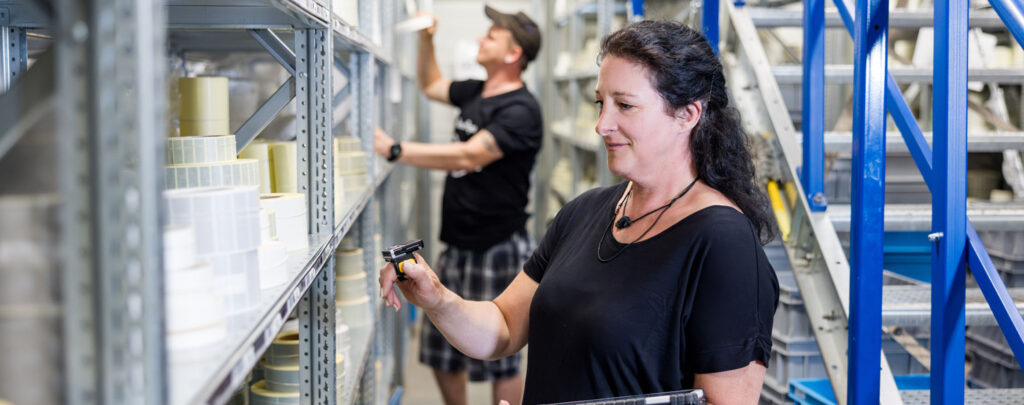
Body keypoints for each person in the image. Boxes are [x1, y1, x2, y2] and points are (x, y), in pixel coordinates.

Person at [379, 20, 780, 405]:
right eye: (600, 103)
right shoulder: (586, 212)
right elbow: (501, 329)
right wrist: (437, 298)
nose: (602, 124)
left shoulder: (724, 245)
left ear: (687, 115)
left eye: (625, 105)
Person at [372, 6, 543, 405]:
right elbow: (431, 83)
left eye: (493, 35)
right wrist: (427, 38)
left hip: (497, 245)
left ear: (513, 54)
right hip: (458, 243)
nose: (483, 38)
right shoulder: (475, 92)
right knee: (442, 354)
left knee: (501, 353)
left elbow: (469, 156)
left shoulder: (522, 110)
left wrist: (396, 150)